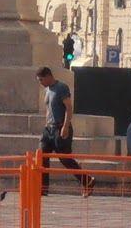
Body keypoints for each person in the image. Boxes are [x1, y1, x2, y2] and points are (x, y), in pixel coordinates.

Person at [35, 65, 94, 196]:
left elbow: (69, 108)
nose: (40, 83)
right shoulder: (47, 90)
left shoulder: (61, 88)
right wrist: (46, 125)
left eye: (41, 80)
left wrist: (65, 126)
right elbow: (48, 110)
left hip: (60, 127)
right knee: (41, 156)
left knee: (65, 158)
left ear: (48, 76)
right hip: (48, 128)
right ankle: (43, 188)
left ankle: (87, 180)